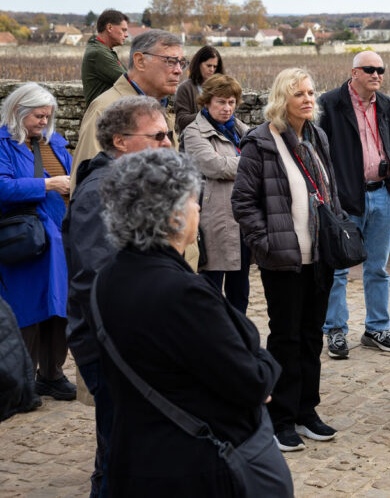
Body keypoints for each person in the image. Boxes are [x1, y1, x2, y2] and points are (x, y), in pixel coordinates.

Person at [93, 149, 290, 496]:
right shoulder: (184, 293)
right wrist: (265, 364)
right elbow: (252, 381)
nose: (198, 208)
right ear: (172, 218)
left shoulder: (109, 276)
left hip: (137, 455)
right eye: (193, 201)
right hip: (194, 464)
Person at [64, 95, 174, 497]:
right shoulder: (100, 193)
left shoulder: (131, 185)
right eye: (158, 135)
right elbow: (102, 282)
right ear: (121, 141)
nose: (167, 142)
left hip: (133, 342)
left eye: (168, 134)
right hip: (114, 347)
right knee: (119, 451)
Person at [232, 68, 340, 452]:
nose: (309, 99)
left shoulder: (317, 136)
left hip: (318, 257)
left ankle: (307, 410)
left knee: (313, 337)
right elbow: (243, 203)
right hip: (283, 258)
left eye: (311, 92)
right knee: (286, 338)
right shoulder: (260, 143)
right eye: (299, 94)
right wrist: (266, 245)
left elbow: (330, 191)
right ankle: (281, 418)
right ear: (282, 99)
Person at [318, 51, 390, 358]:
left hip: (382, 194)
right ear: (353, 72)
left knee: (378, 268)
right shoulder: (330, 104)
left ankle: (377, 329)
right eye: (369, 69)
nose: (376, 74)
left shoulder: (387, 105)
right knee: (338, 268)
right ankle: (335, 331)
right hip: (345, 199)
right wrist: (332, 194)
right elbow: (319, 151)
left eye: (380, 69)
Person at [1, 81, 75, 403]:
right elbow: (2, 188)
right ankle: (21, 382)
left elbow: (74, 176)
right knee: (26, 312)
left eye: (48, 116)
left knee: (58, 310)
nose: (44, 122)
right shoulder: (3, 143)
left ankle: (52, 375)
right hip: (24, 242)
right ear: (18, 111)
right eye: (38, 116)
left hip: (58, 239)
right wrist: (46, 184)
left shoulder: (54, 143)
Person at [71, 29, 185, 191]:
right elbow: (90, 188)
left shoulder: (160, 108)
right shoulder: (106, 109)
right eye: (170, 61)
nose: (178, 70)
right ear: (140, 61)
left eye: (181, 63)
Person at [182, 74, 250, 314]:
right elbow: (215, 166)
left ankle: (239, 341)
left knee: (240, 290)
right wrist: (249, 163)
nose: (227, 108)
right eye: (221, 102)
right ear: (207, 102)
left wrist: (240, 163)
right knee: (210, 287)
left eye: (231, 102)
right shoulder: (194, 133)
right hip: (212, 219)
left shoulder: (240, 129)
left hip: (241, 217)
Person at [81, 9, 129, 106]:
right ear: (109, 28)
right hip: (102, 117)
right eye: (123, 30)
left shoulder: (104, 49)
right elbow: (129, 81)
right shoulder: (98, 53)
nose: (126, 35)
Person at [175, 45, 224, 134]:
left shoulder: (221, 88)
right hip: (193, 139)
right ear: (199, 64)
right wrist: (206, 114)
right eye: (208, 66)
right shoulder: (185, 88)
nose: (212, 70)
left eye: (215, 66)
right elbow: (181, 121)